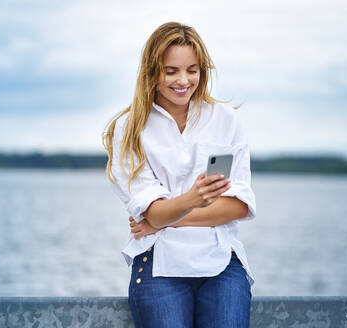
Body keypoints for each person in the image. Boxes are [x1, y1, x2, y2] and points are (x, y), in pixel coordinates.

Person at [102, 21, 256, 328]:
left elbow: (238, 206)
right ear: (151, 71)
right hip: (159, 264)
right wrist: (192, 201)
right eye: (171, 71)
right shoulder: (129, 129)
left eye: (192, 69)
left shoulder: (227, 120)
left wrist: (164, 217)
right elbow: (154, 213)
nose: (183, 80)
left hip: (222, 263)